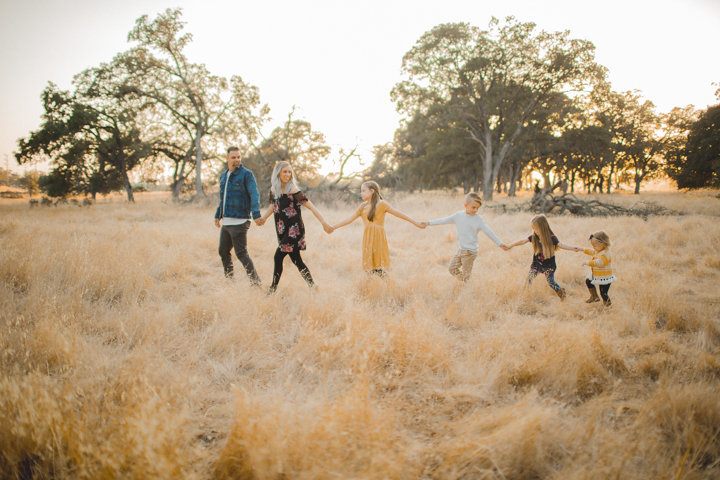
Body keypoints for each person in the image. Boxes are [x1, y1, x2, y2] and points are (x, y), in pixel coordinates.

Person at [256, 161, 333, 294]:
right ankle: (314, 287)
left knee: (278, 256)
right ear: (278, 173)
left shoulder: (294, 190)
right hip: (282, 229)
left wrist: (324, 223)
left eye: (289, 171)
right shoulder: (274, 189)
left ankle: (272, 290)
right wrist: (264, 218)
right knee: (296, 260)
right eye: (284, 171)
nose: (287, 174)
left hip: (294, 229)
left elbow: (311, 206)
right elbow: (273, 207)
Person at [331, 180, 424, 275]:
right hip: (367, 238)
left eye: (363, 191)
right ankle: (375, 285)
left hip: (378, 238)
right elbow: (349, 219)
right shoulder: (362, 206)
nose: (361, 193)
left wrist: (415, 222)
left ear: (372, 191)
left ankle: (387, 284)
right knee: (369, 266)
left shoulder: (382, 204)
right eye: (361, 191)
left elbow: (399, 214)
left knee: (377, 266)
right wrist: (333, 227)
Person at [421, 192, 509, 282]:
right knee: (452, 269)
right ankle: (465, 282)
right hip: (461, 250)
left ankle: (467, 286)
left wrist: (500, 244)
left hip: (470, 252)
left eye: (477, 208)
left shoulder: (478, 220)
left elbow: (489, 232)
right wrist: (428, 223)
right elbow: (444, 220)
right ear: (466, 205)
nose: (475, 210)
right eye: (473, 207)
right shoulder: (458, 216)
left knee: (466, 274)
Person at [214, 146, 262, 285]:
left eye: (238, 157)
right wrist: (218, 215)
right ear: (227, 158)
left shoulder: (246, 174)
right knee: (223, 251)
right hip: (227, 221)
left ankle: (256, 282)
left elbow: (254, 194)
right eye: (233, 157)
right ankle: (230, 281)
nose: (236, 160)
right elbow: (222, 198)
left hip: (240, 220)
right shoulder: (224, 176)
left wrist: (256, 214)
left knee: (241, 253)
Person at [504, 214, 581, 300]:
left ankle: (561, 292)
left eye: (536, 229)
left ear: (542, 227)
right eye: (533, 229)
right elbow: (522, 241)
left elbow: (561, 245)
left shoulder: (551, 237)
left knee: (551, 282)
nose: (535, 231)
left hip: (549, 265)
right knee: (529, 279)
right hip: (537, 263)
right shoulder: (534, 237)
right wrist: (510, 245)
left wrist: (572, 248)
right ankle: (524, 296)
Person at [582, 231, 616, 306]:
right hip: (598, 274)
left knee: (603, 293)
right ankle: (594, 296)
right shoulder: (599, 250)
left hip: (605, 276)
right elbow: (592, 251)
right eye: (592, 245)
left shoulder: (606, 254)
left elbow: (599, 263)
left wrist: (587, 262)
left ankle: (608, 305)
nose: (594, 247)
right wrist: (582, 249)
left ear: (603, 243)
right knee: (588, 281)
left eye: (595, 245)